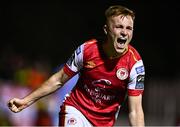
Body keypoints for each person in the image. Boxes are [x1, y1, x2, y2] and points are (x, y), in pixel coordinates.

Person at [8, 5, 145, 127]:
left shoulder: (135, 64)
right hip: (76, 111)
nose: (124, 32)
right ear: (106, 29)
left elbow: (136, 111)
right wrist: (26, 101)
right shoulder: (87, 50)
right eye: (119, 27)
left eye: (129, 28)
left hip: (104, 122)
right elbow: (59, 79)